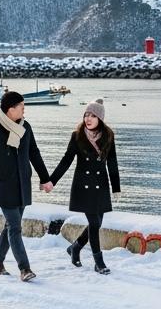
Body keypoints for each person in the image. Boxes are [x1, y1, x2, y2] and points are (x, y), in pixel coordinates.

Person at [0, 90, 51, 282]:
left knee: (10, 226)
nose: (24, 111)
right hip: (4, 187)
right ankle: (24, 268)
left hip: (22, 185)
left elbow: (34, 153)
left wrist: (45, 178)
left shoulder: (26, 128)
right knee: (16, 227)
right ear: (10, 110)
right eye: (22, 107)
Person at [47, 98, 120, 275]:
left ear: (100, 118)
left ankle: (75, 248)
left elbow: (112, 163)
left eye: (93, 115)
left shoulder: (108, 136)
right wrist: (52, 180)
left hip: (101, 185)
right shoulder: (77, 135)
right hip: (83, 185)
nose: (88, 118)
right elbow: (66, 160)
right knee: (94, 223)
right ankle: (98, 262)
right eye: (86, 114)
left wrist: (116, 187)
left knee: (97, 223)